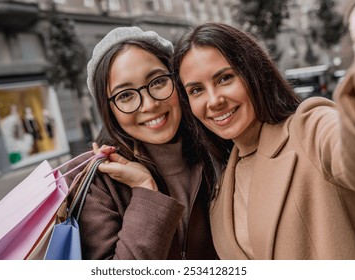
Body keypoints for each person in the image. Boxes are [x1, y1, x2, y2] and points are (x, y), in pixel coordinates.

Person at [171, 22, 355, 259]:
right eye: (196, 90)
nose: (213, 101)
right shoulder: (220, 190)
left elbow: (354, 153)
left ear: (253, 73)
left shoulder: (309, 128)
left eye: (224, 78)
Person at [65, 26, 231, 260]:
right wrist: (145, 190)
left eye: (157, 82)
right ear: (108, 109)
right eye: (125, 95)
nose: (149, 105)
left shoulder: (218, 149)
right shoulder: (93, 182)